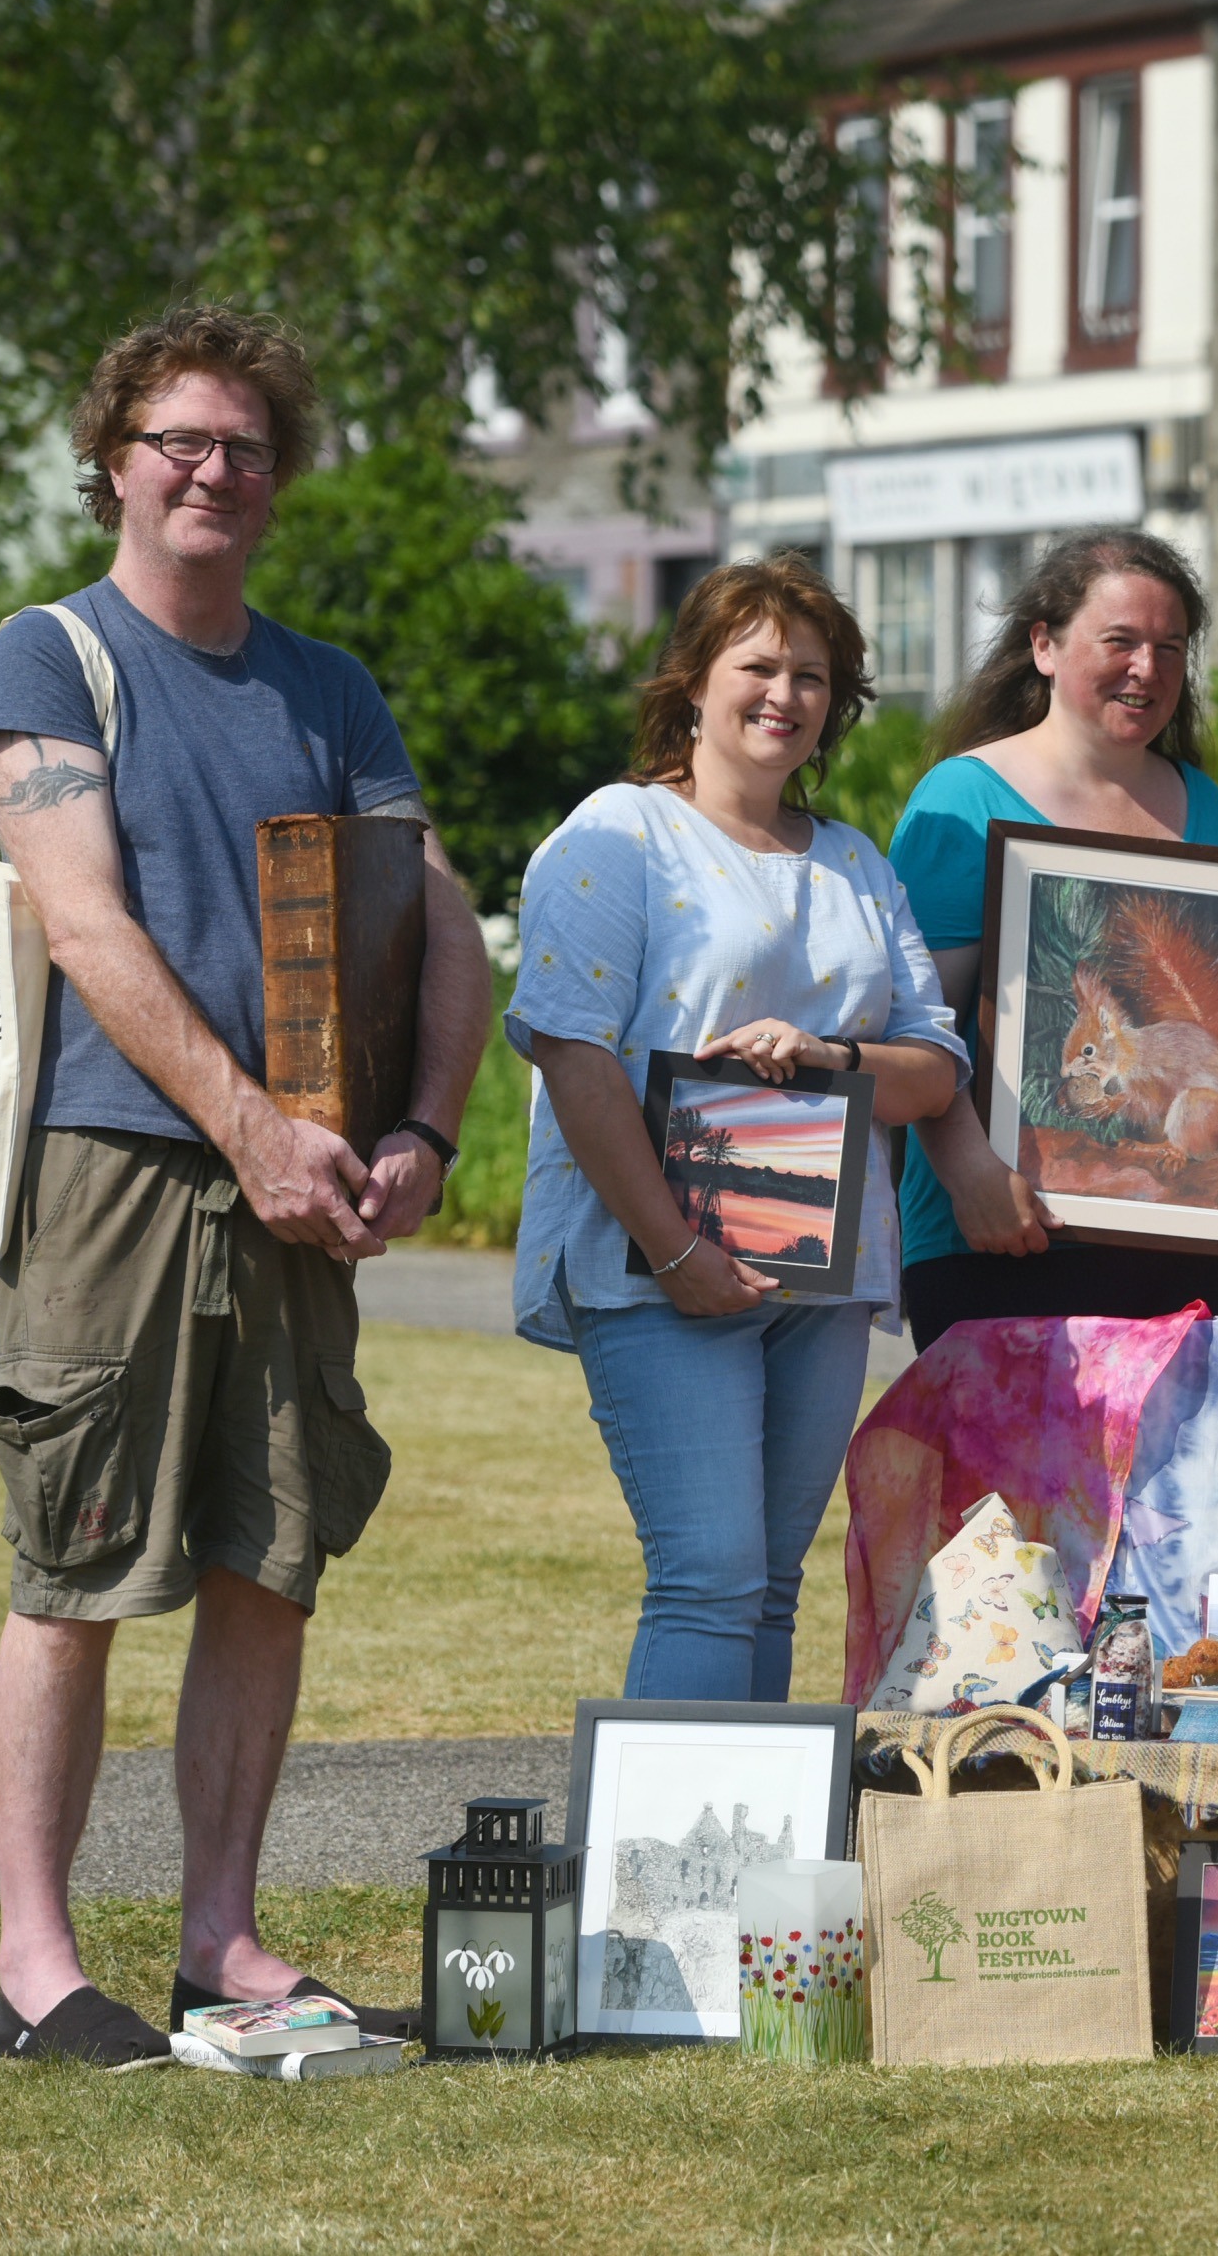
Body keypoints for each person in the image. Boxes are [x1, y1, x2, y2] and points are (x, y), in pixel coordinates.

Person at [0, 306, 492, 2065]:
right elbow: (84, 918)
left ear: (277, 479)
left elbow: (439, 917)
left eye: (243, 447)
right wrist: (252, 1127)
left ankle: (222, 1939)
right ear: (112, 456)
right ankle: (32, 1971)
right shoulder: (49, 657)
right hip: (116, 1168)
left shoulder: (326, 685)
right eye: (178, 439)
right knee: (77, 1564)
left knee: (272, 1560)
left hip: (312, 1173)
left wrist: (419, 1123)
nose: (211, 469)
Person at [509, 558, 966, 1702]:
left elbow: (936, 1068)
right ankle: (657, 1882)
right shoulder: (619, 833)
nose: (784, 694)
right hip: (656, 1258)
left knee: (768, 1586)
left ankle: (749, 1873)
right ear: (693, 682)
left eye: (811, 675)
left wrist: (831, 1056)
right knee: (708, 1575)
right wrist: (675, 1250)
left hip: (822, 1269)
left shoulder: (857, 862)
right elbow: (571, 1053)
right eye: (756, 665)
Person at [886, 530, 1218, 1347]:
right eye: (1121, 642)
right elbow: (912, 1023)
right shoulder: (959, 800)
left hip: (1198, 1247)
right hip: (1003, 1241)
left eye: (1170, 647)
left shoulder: (1204, 804)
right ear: (1043, 644)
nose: (1147, 668)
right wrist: (970, 1174)